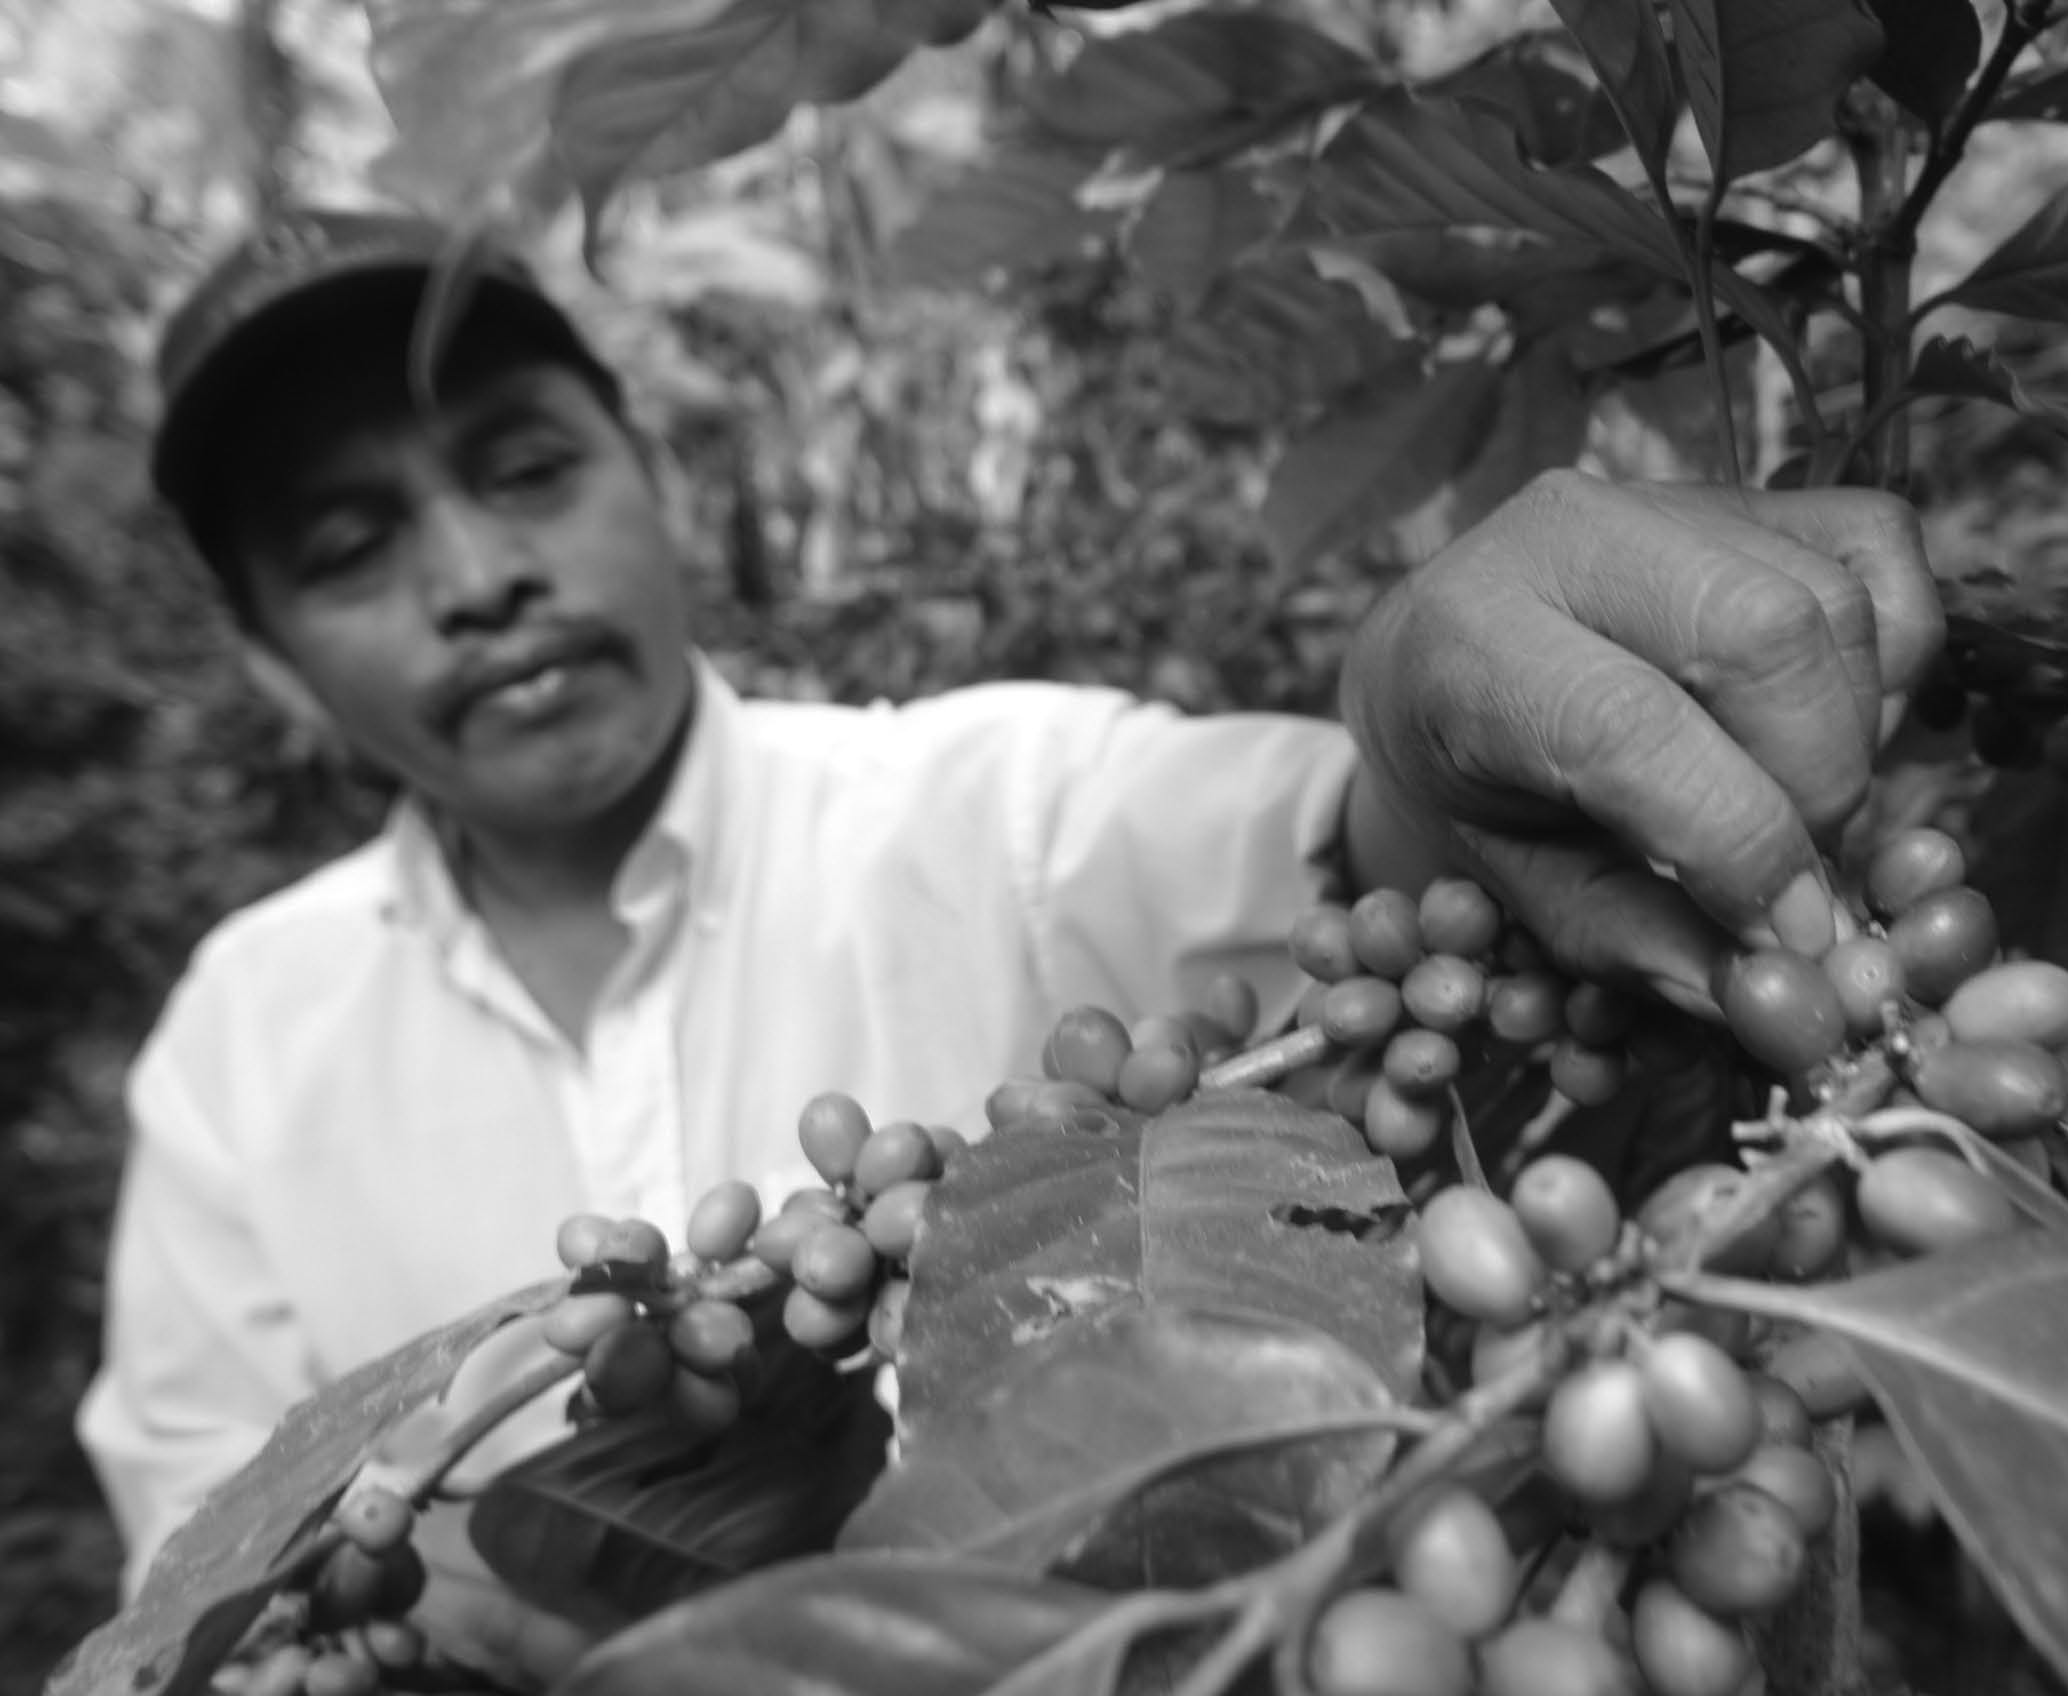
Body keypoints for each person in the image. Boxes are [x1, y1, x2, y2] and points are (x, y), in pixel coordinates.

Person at [76, 207, 1942, 1682]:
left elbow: (1358, 859)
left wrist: (1450, 719)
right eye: (348, 544)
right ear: (264, 655)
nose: (476, 576)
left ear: (651, 476)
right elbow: (225, 1571)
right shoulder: (244, 1042)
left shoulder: (990, 804)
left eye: (526, 466)